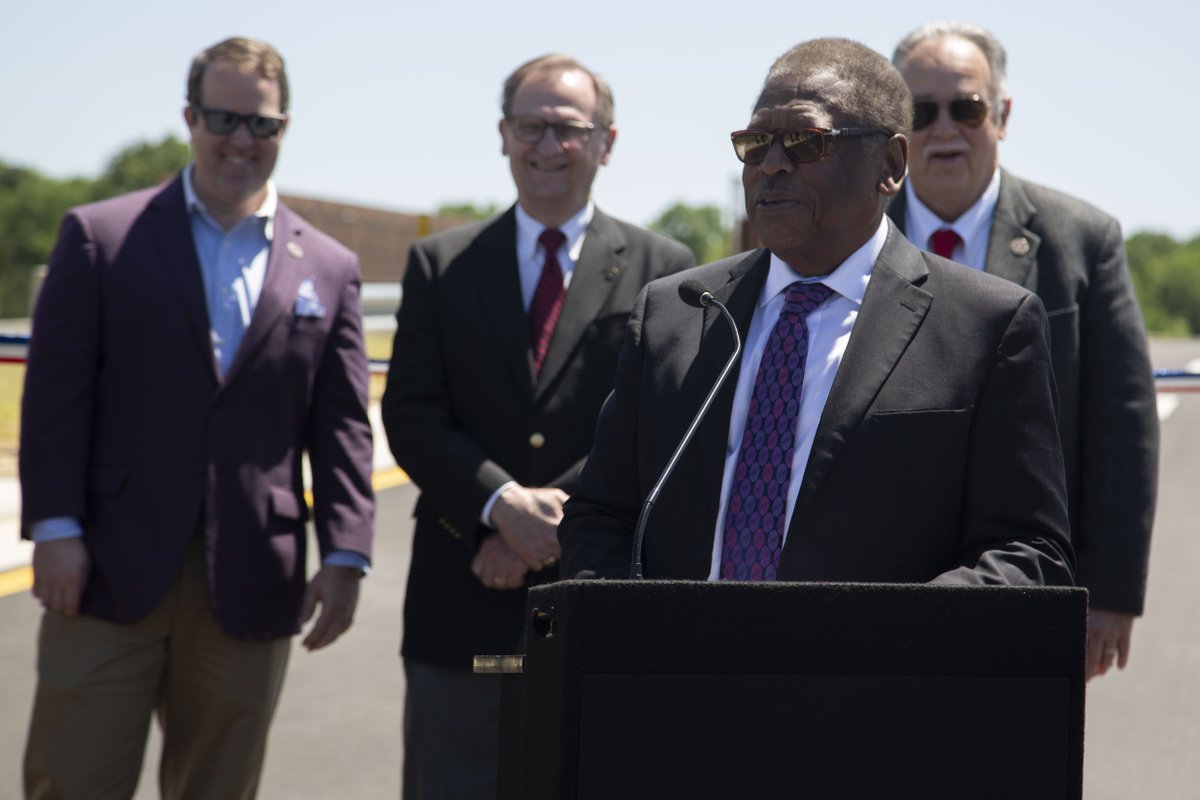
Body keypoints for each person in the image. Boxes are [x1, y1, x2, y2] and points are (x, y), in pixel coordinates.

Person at [559, 38, 1074, 593]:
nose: (772, 165)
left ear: (890, 164)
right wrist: (627, 640)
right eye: (756, 143)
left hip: (875, 674)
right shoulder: (676, 313)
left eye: (805, 142)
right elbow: (601, 518)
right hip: (675, 672)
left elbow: (1028, 552)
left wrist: (890, 642)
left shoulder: (988, 326)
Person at [19, 36, 375, 799]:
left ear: (284, 129)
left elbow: (341, 426)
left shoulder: (331, 267)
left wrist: (346, 553)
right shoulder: (101, 236)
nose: (242, 140)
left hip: (253, 576)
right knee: (73, 779)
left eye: (263, 124)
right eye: (224, 118)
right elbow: (54, 399)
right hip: (103, 570)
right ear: (189, 117)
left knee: (220, 788)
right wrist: (55, 530)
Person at [381, 53, 694, 798]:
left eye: (568, 127)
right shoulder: (439, 264)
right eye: (530, 126)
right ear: (502, 134)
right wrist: (498, 508)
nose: (547, 145)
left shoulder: (668, 269)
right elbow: (412, 414)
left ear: (606, 142)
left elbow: (664, 419)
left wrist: (547, 524)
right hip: (459, 600)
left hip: (598, 593)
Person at [888, 22, 1158, 681]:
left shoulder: (1082, 241)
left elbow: (1122, 423)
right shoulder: (855, 239)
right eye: (921, 112)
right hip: (885, 584)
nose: (944, 128)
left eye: (967, 107)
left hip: (1029, 578)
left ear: (1002, 115)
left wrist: (1113, 594)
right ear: (895, 127)